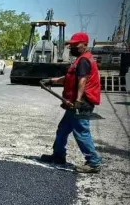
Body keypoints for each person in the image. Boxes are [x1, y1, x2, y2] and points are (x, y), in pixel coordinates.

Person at [40, 32, 102, 173]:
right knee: (62, 129)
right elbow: (69, 77)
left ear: (85, 44)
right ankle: (58, 155)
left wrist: (79, 100)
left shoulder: (84, 60)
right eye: (71, 45)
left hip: (81, 103)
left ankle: (93, 162)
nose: (72, 47)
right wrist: (52, 80)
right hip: (74, 103)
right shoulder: (80, 59)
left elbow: (82, 80)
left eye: (75, 45)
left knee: (81, 132)